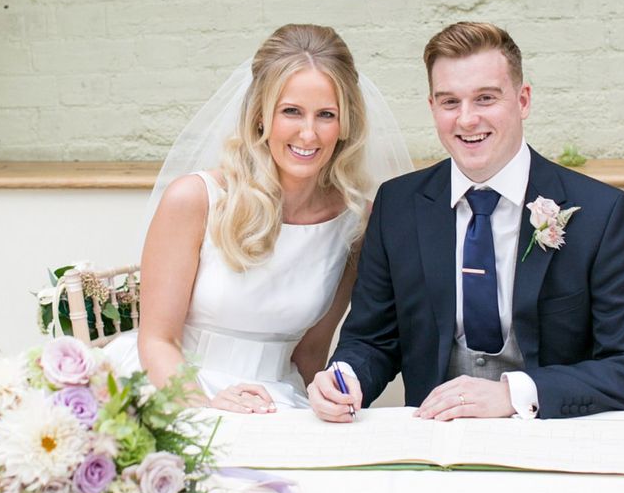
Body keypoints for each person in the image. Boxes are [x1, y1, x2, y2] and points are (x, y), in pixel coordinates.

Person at [309, 21, 624, 422]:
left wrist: (516, 393)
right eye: (450, 102)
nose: (466, 120)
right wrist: (344, 376)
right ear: (432, 107)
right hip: (436, 441)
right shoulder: (397, 206)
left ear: (523, 100)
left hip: (553, 440)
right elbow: (371, 339)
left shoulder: (600, 212)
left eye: (485, 98)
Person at [106, 23, 413, 413]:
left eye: (325, 115)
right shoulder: (196, 199)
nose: (308, 133)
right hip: (174, 388)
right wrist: (206, 408)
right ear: (260, 116)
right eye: (291, 112)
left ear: (345, 123)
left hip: (276, 401)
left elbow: (310, 355)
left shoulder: (355, 223)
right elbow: (157, 341)